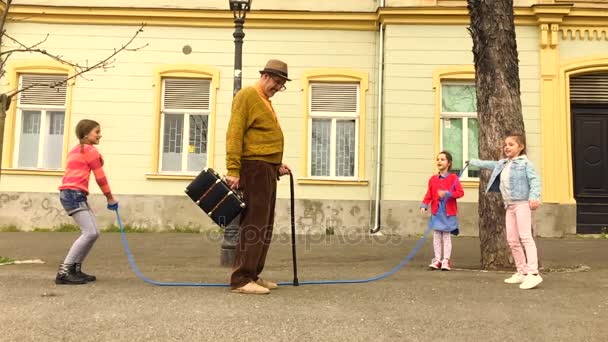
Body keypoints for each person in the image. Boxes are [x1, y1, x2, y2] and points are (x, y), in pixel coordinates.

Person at [225, 59, 292, 295]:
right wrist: (233, 170)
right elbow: (234, 133)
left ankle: (253, 274)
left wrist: (275, 165)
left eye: (281, 84)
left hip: (265, 169)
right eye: (276, 82)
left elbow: (260, 139)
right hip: (253, 169)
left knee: (264, 224)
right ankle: (241, 278)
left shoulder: (264, 100)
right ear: (265, 75)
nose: (277, 87)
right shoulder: (247, 95)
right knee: (253, 223)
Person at [469, 133, 542, 290]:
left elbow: (535, 180)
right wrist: (473, 162)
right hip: (509, 205)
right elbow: (489, 164)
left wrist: (534, 197)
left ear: (520, 147)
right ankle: (522, 271)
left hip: (522, 204)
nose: (506, 147)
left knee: (525, 238)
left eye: (511, 144)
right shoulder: (503, 163)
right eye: (505, 145)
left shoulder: (525, 163)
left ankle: (533, 273)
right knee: (512, 240)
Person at [56, 119, 117, 285]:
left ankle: (75, 269)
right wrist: (110, 198)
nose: (100, 135)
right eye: (96, 132)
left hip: (71, 193)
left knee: (93, 232)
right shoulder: (90, 151)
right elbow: (100, 178)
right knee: (89, 232)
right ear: (86, 133)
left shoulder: (76, 150)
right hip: (73, 194)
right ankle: (64, 271)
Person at [420, 151, 464, 271]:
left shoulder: (453, 178)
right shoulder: (433, 179)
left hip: (448, 213)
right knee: (436, 236)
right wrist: (424, 205)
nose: (439, 161)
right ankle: (437, 259)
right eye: (438, 159)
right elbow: (429, 194)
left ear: (448, 163)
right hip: (436, 212)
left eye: (442, 159)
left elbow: (460, 193)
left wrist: (447, 193)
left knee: (446, 236)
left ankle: (446, 260)